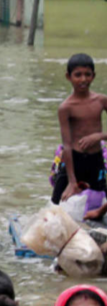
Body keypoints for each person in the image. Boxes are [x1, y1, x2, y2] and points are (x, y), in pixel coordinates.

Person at [53, 54, 107, 206]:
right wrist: (72, 181)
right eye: (78, 75)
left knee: (100, 203)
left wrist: (99, 136)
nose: (83, 79)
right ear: (68, 77)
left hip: (96, 160)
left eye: (87, 74)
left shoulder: (101, 101)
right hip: (73, 161)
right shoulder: (66, 107)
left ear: (93, 76)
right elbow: (67, 144)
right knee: (56, 205)